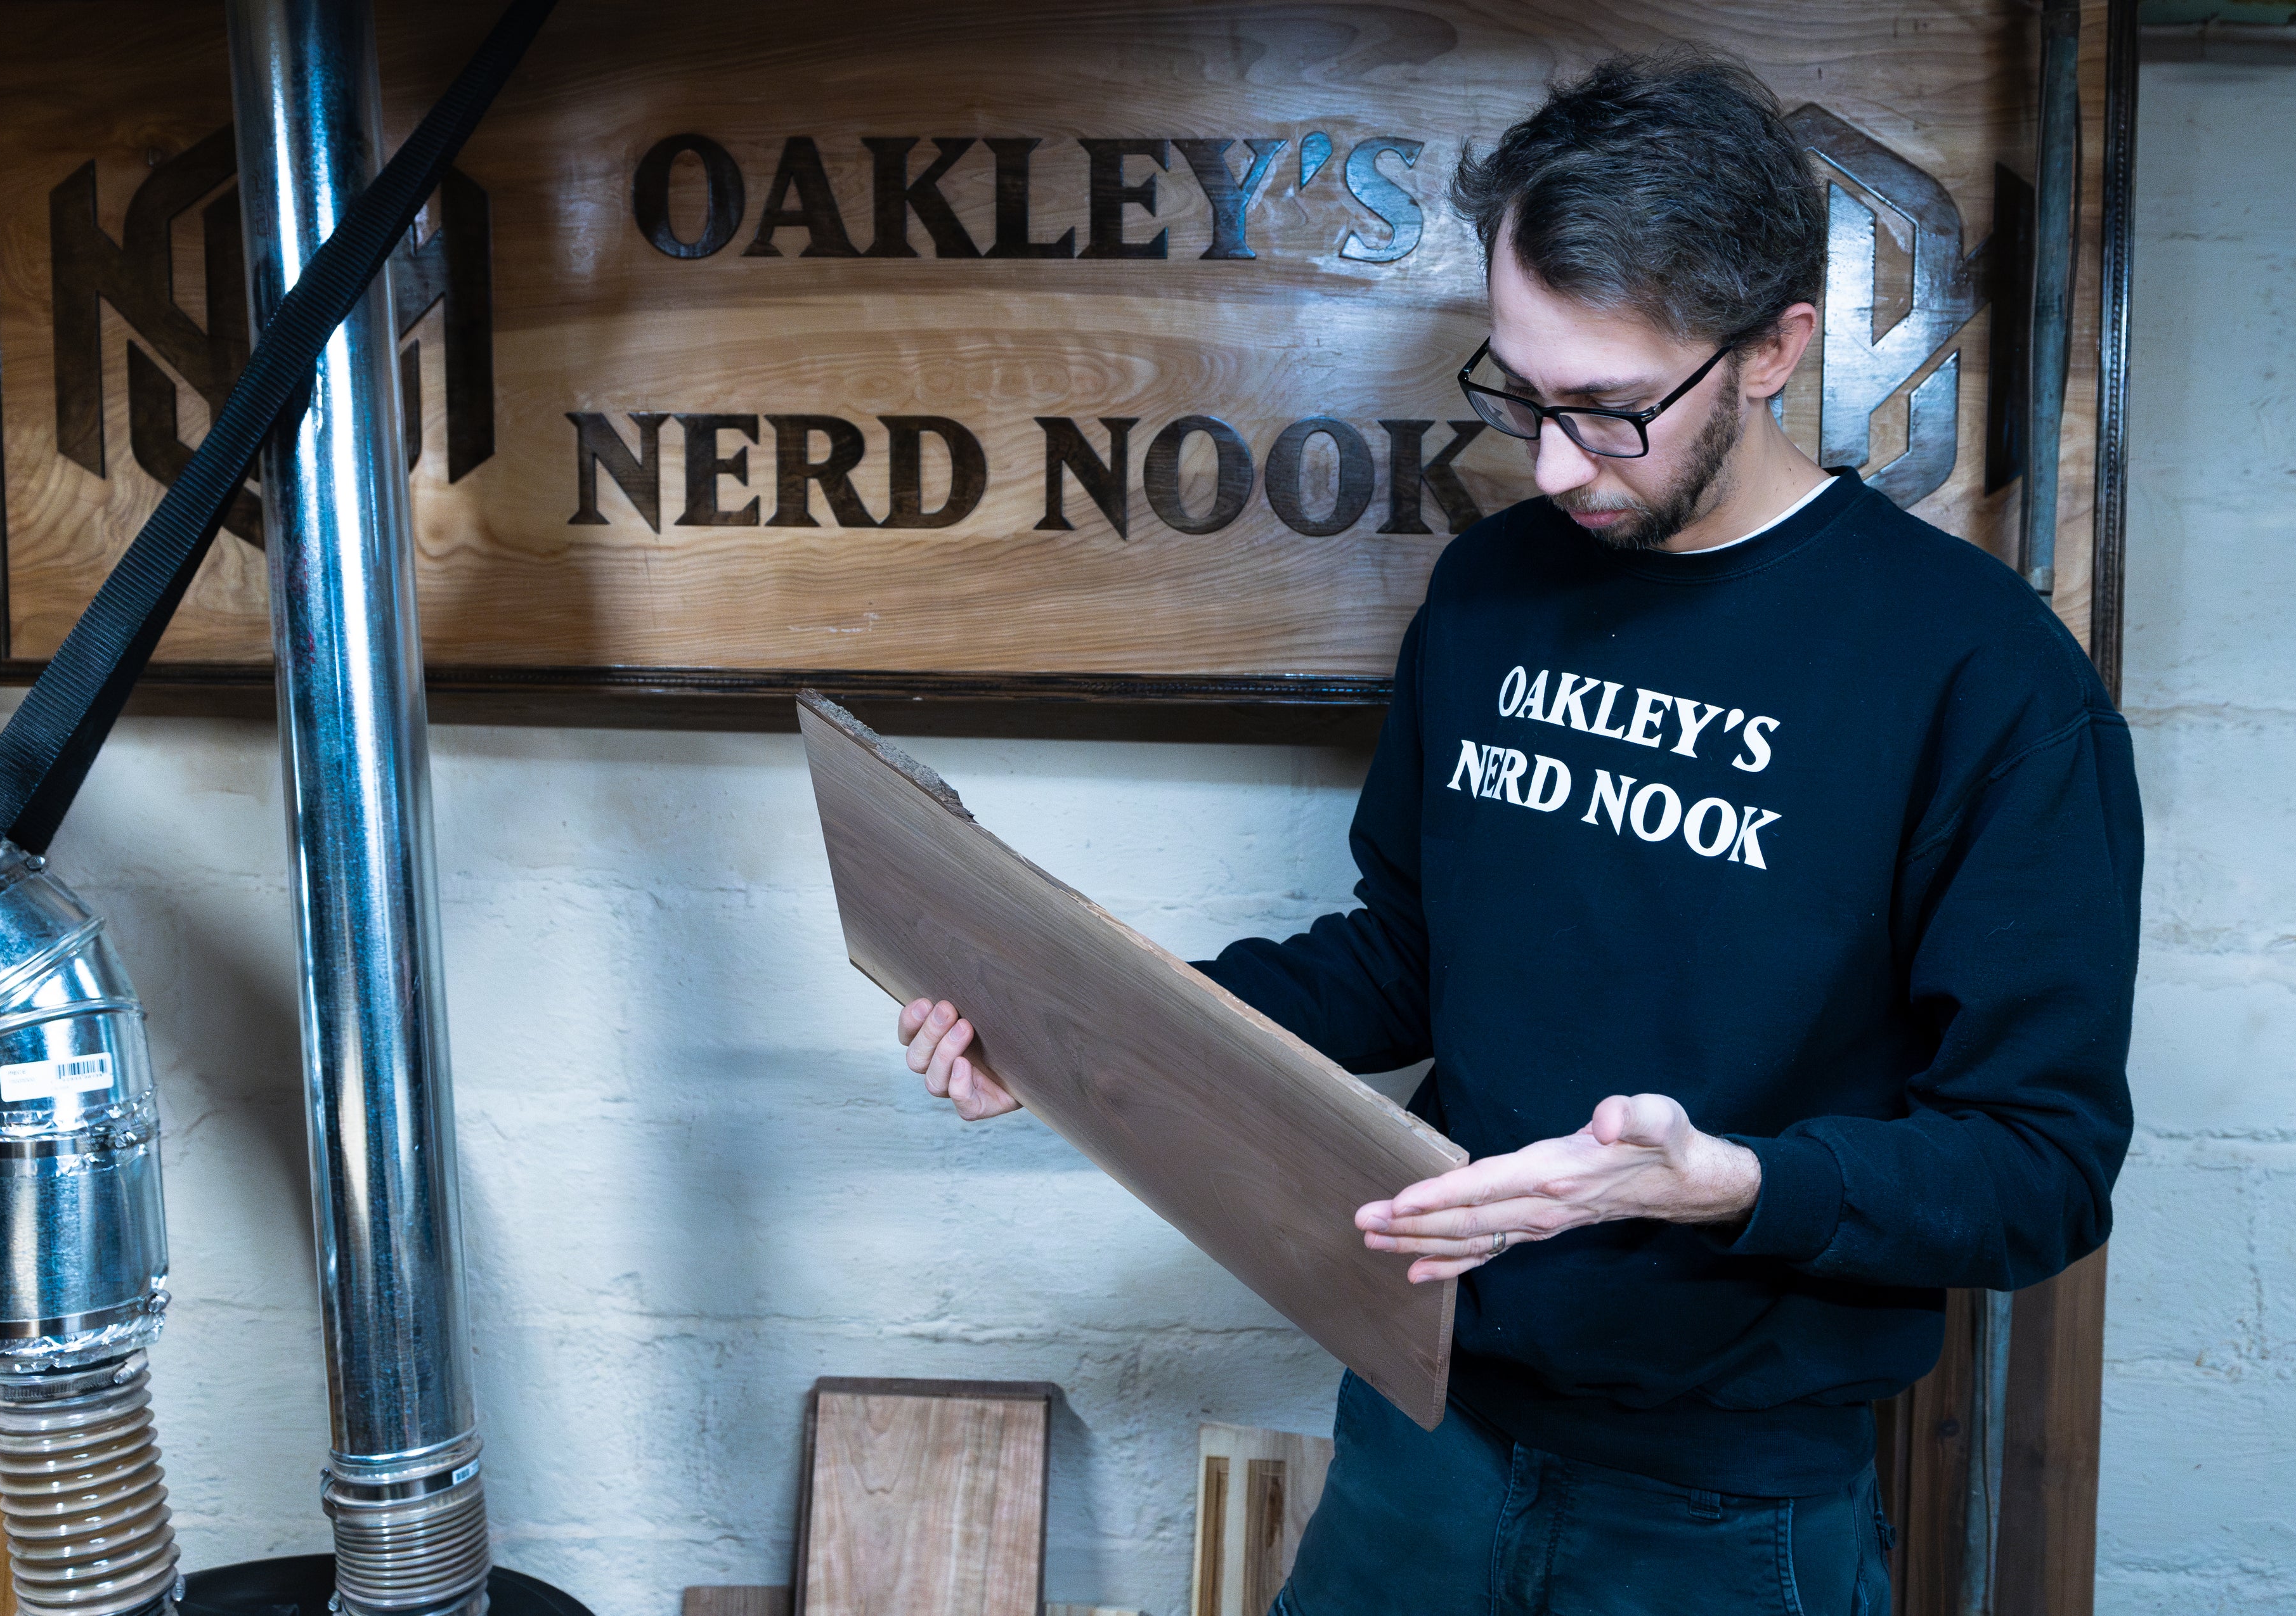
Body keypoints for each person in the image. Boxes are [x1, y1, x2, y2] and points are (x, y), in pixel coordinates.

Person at [895, 47, 2139, 1615]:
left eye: (1610, 411)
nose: (1553, 466)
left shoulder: (1980, 674)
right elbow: (1406, 954)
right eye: (1521, 396)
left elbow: (2042, 1167)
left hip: (1728, 1508)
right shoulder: (1495, 590)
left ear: (1776, 348)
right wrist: (1067, 1023)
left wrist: (1731, 1183)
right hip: (1426, 1430)